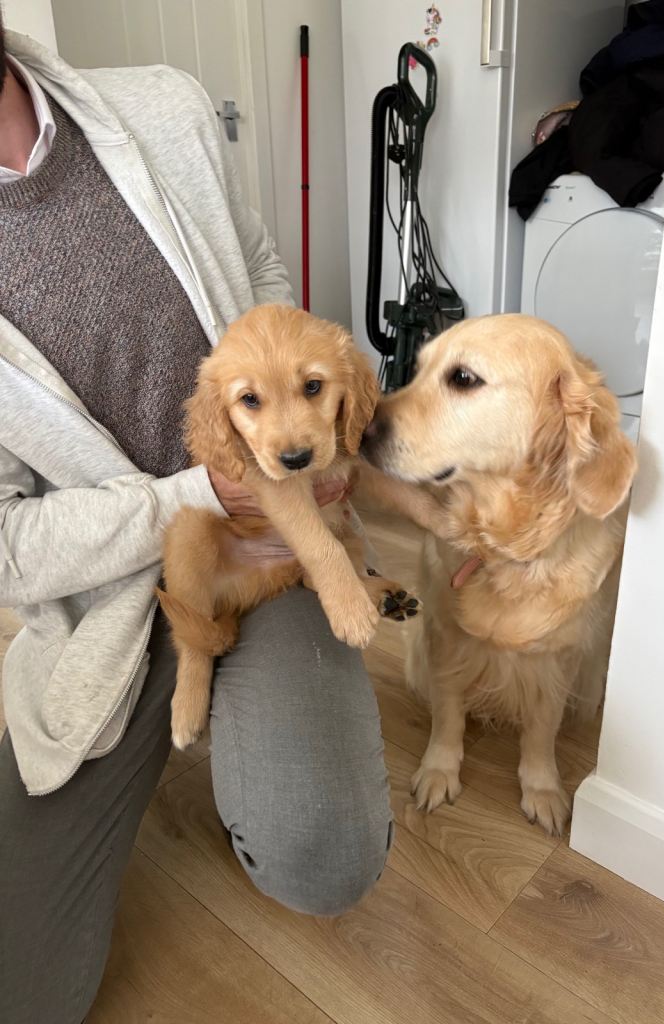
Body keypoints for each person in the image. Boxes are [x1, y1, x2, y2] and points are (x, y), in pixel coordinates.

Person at [0, 24, 391, 1024]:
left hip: (276, 545)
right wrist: (200, 496)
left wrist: (302, 418)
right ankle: (194, 674)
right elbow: (8, 549)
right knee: (22, 991)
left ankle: (256, 740)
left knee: (323, 852)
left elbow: (257, 268)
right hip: (102, 598)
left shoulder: (165, 106)